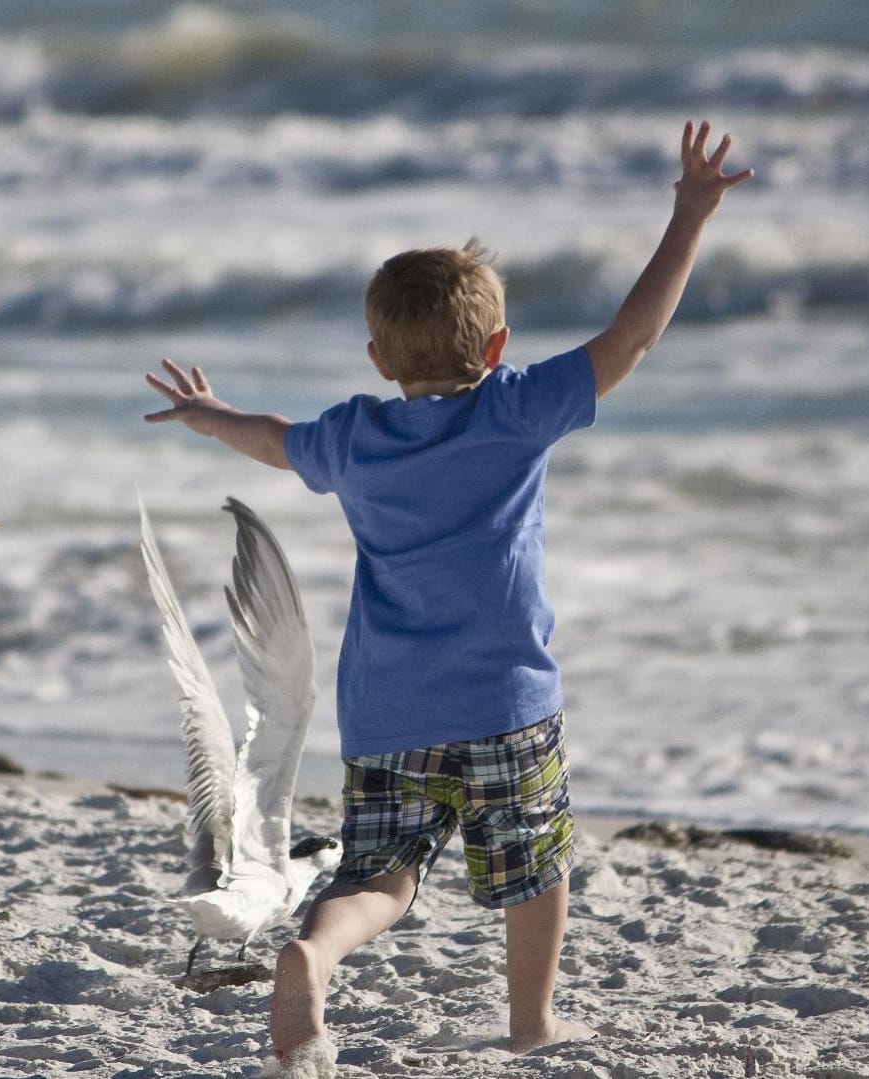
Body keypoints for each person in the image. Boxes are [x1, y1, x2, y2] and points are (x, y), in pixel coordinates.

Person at [143, 121, 753, 1076]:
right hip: (507, 704)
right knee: (534, 867)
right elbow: (630, 337)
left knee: (381, 877)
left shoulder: (353, 436)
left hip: (390, 712)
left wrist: (205, 414)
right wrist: (688, 216)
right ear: (499, 345)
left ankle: (315, 951)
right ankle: (532, 1024)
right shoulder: (516, 409)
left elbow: (271, 436)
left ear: (380, 359)